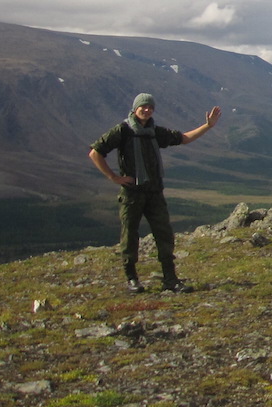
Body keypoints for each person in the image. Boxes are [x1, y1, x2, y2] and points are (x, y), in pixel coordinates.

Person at [89, 93, 222, 293]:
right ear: (135, 109)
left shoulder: (154, 132)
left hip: (154, 192)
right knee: (129, 236)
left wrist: (208, 126)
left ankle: (170, 279)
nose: (147, 110)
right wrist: (113, 177)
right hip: (132, 193)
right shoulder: (122, 131)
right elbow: (95, 152)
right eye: (143, 106)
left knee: (164, 235)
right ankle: (131, 278)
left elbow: (183, 138)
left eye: (150, 107)